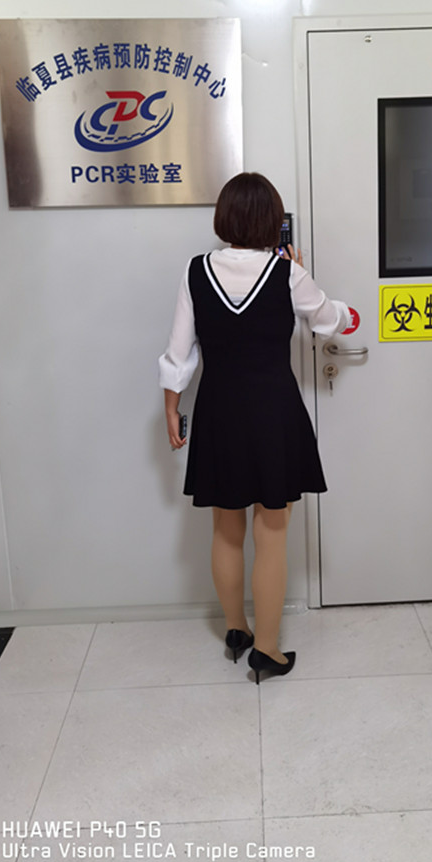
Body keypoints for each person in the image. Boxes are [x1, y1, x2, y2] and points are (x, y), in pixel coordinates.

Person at [159, 172, 351, 683]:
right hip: (273, 412)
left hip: (218, 410)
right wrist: (309, 281)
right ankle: (267, 650)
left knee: (226, 528)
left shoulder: (195, 271)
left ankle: (236, 629)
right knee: (272, 532)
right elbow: (328, 320)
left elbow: (179, 352)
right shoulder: (287, 273)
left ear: (224, 217)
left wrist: (171, 408)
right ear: (271, 221)